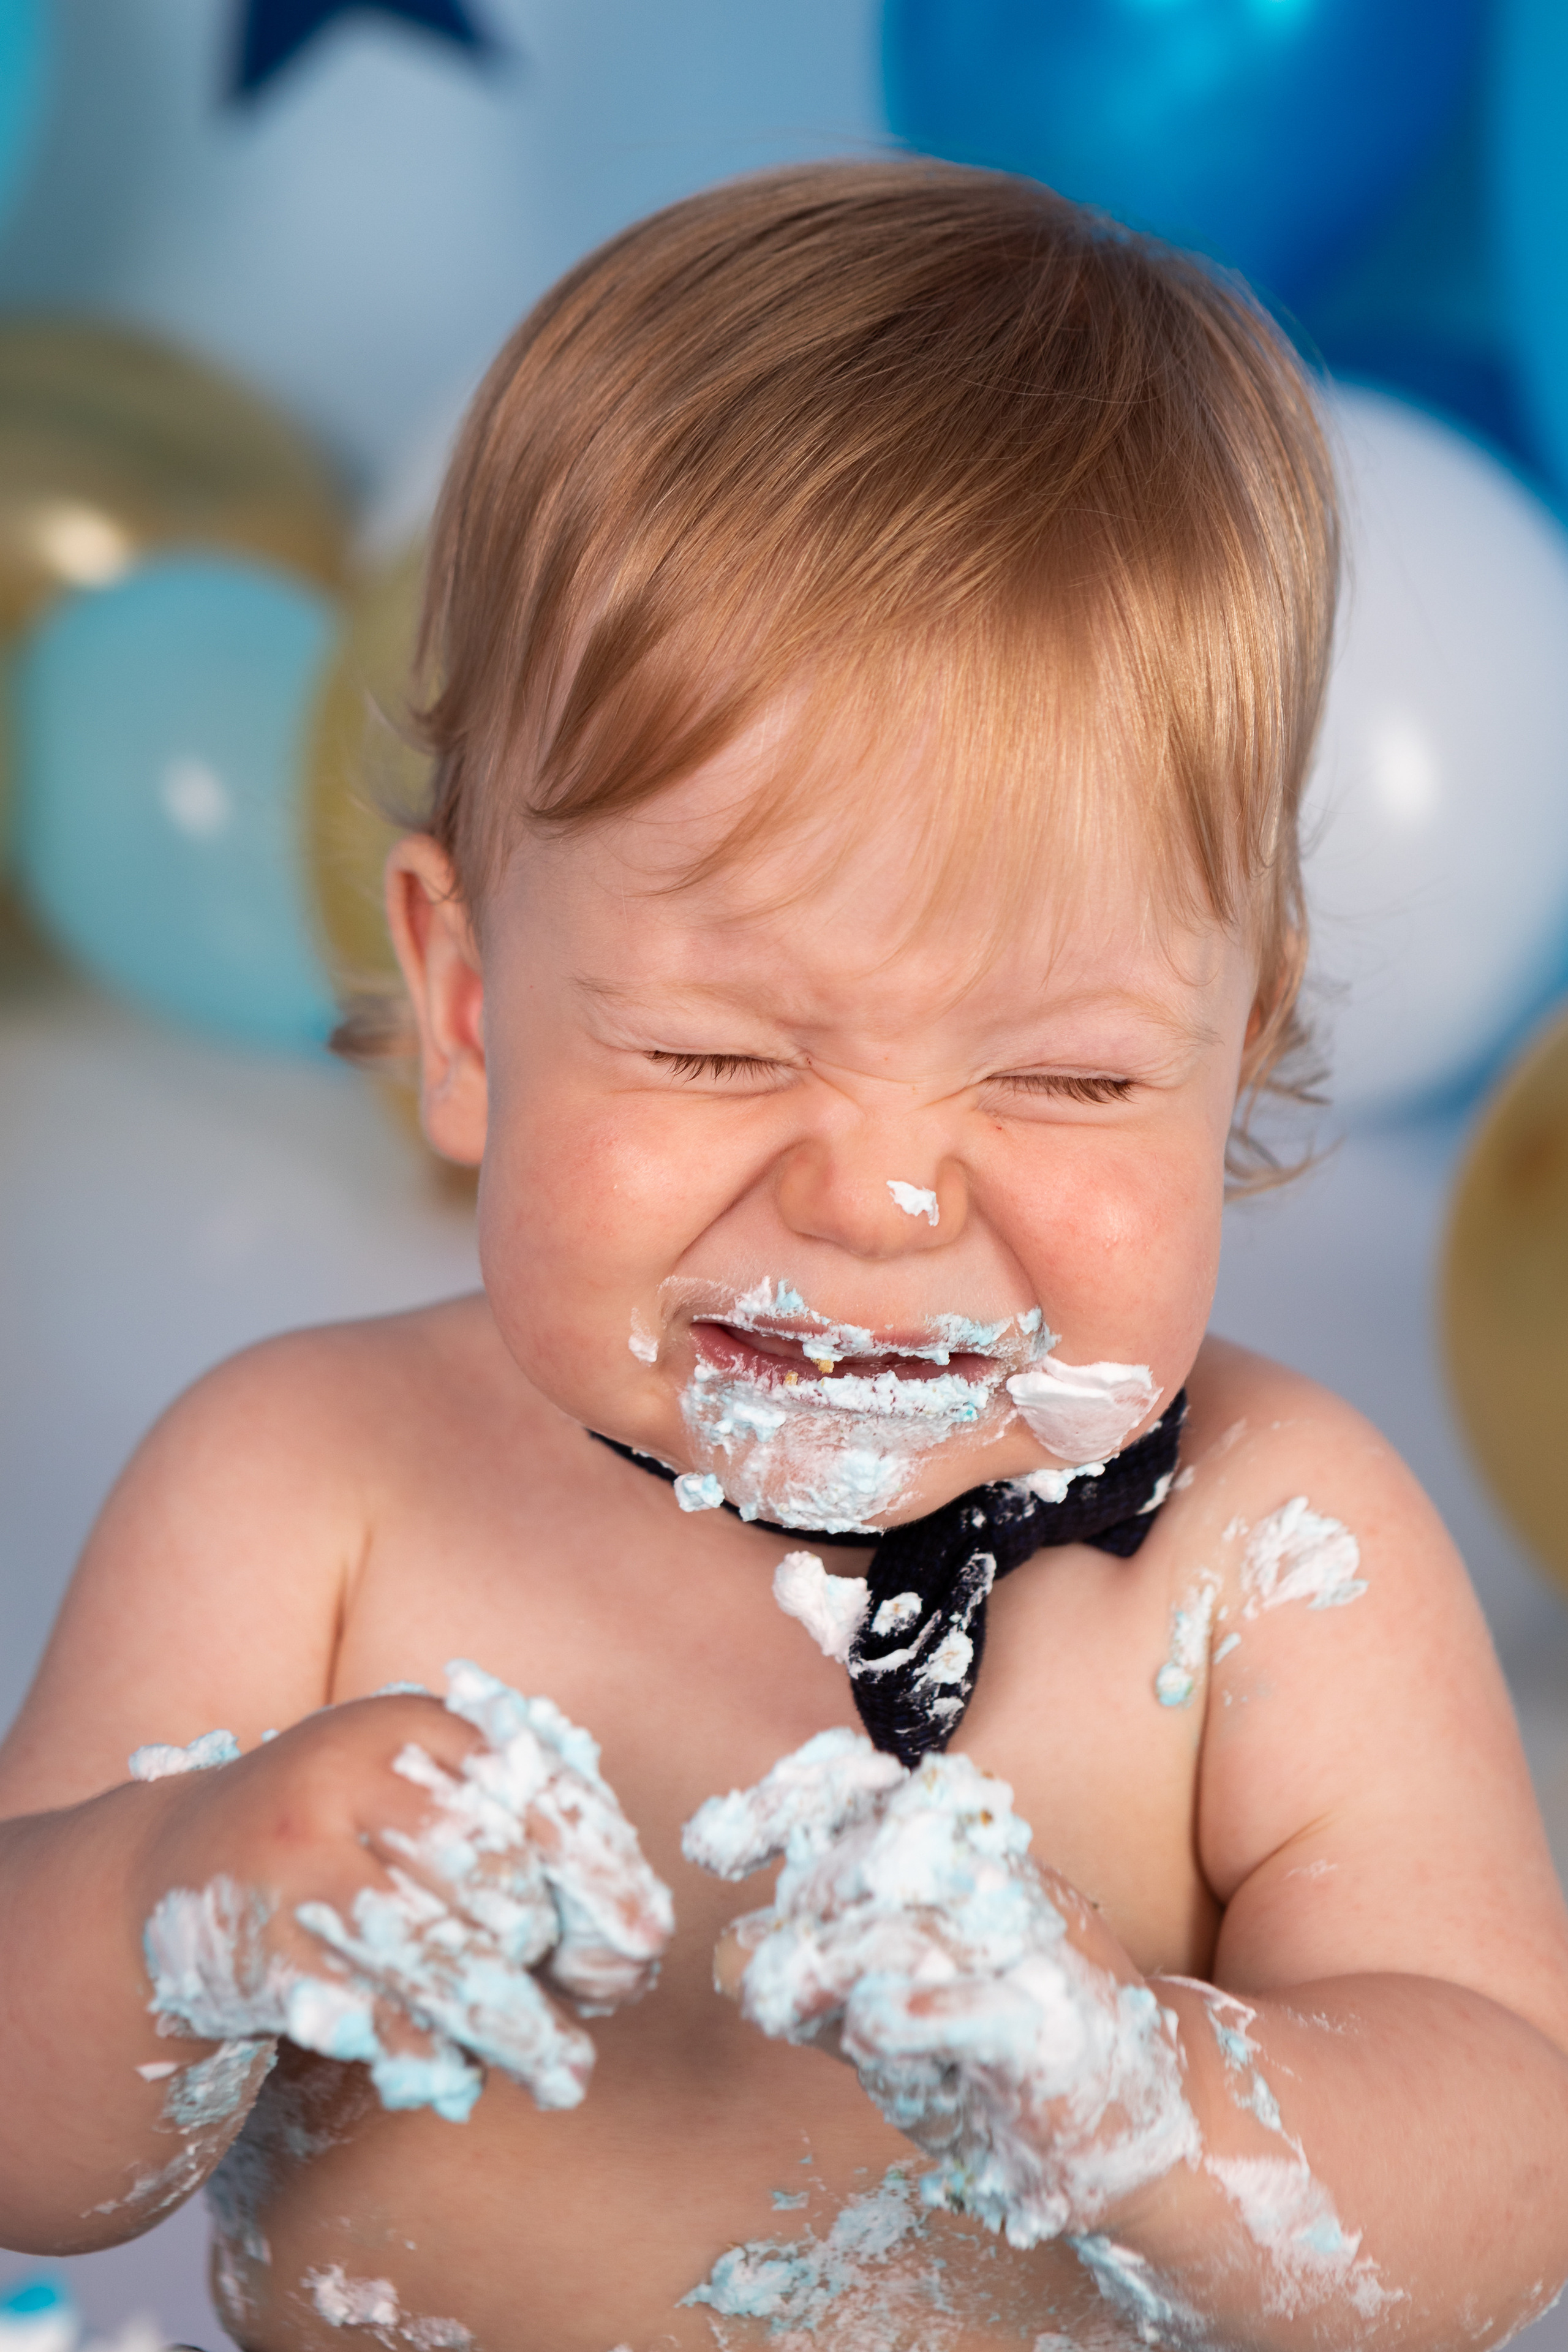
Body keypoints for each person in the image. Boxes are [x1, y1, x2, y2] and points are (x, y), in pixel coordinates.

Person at [1, 160, 1565, 2352]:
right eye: (717, 1053)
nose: (883, 1196)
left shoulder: (1270, 1561)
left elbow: (1504, 2183)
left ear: (1246, 1044)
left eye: (1074, 1082)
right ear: (466, 1013)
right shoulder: (305, 1485)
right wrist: (192, 1902)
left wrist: (1137, 2103)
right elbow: (32, 2151)